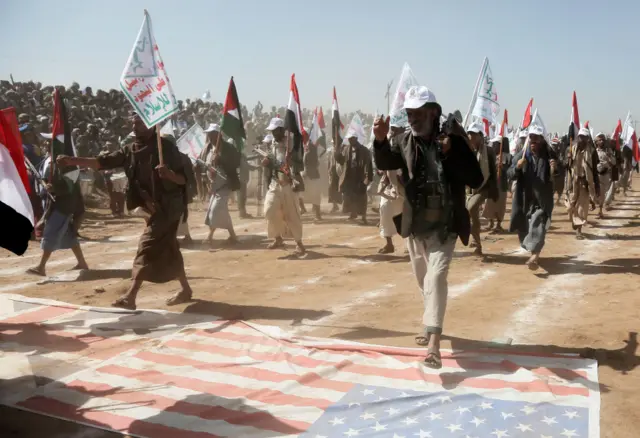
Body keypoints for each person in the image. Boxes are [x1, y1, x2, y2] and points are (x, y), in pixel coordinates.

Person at [372, 85, 483, 369]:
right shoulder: (404, 141)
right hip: (415, 225)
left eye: (418, 113)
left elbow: (476, 178)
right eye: (409, 113)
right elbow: (385, 160)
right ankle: (429, 323)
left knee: (435, 279)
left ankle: (434, 345)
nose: (412, 118)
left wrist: (453, 151)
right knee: (424, 281)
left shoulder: (454, 140)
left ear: (433, 112)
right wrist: (381, 139)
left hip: (445, 227)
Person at [56, 112, 193, 310]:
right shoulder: (130, 150)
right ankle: (186, 289)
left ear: (152, 126)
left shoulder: (166, 148)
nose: (134, 127)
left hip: (170, 208)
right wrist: (71, 160)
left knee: (145, 248)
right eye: (133, 123)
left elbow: (184, 179)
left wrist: (169, 174)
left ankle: (130, 296)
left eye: (139, 123)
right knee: (169, 247)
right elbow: (100, 163)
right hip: (152, 209)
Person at [27, 154, 88, 276]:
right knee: (69, 236)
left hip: (64, 208)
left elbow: (68, 189)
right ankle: (82, 263)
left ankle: (41, 267)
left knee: (50, 233)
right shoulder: (58, 169)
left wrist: (54, 188)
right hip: (60, 206)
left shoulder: (72, 171)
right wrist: (47, 185)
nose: (58, 160)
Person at [508, 124, 557, 269]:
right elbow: (509, 174)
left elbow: (559, 174)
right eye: (531, 138)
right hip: (524, 198)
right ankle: (532, 250)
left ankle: (535, 255)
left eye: (536, 139)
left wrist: (555, 169)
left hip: (542, 199)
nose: (533, 141)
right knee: (523, 228)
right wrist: (517, 167)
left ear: (542, 140)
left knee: (538, 222)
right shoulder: (522, 155)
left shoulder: (549, 155)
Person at [261, 117, 306, 255]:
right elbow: (271, 160)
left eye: (275, 130)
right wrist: (267, 162)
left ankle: (299, 243)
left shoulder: (292, 144)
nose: (273, 133)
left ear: (282, 130)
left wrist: (290, 160)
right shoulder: (272, 144)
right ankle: (278, 238)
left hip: (289, 183)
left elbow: (300, 163)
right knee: (269, 210)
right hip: (275, 183)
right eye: (272, 131)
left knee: (292, 215)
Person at [201, 123, 240, 245]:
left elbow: (236, 162)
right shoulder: (207, 148)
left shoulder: (228, 148)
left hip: (225, 184)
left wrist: (221, 159)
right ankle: (233, 236)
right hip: (213, 185)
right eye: (209, 134)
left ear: (218, 135)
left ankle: (210, 234)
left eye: (212, 134)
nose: (210, 136)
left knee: (215, 210)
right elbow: (204, 164)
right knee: (221, 210)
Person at [465, 123, 494, 255]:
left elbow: (490, 172)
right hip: (469, 188)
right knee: (473, 214)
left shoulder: (488, 151)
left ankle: (476, 240)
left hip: (484, 187)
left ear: (480, 136)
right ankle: (477, 241)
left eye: (474, 134)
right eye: (469, 133)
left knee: (471, 208)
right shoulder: (467, 150)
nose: (471, 136)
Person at [334, 133, 373, 225]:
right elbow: (341, 160)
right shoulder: (347, 149)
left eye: (352, 139)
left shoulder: (364, 150)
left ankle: (363, 216)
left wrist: (367, 178)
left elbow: (368, 165)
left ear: (356, 138)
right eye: (349, 139)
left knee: (362, 197)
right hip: (349, 177)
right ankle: (353, 213)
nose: (350, 141)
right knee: (350, 196)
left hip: (360, 177)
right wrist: (337, 151)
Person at [567, 128, 599, 239]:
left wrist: (596, 187)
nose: (582, 139)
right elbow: (564, 165)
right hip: (572, 182)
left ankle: (579, 230)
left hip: (585, 183)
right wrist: (567, 159)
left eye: (585, 137)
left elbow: (594, 171)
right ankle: (575, 220)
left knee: (582, 207)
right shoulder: (571, 149)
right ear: (578, 137)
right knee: (571, 205)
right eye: (580, 137)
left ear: (588, 139)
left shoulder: (592, 152)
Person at [483, 135, 512, 233]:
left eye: (495, 144)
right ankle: (490, 223)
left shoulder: (506, 157)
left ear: (499, 145)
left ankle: (498, 225)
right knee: (489, 204)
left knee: (499, 205)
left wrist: (502, 168)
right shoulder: (492, 155)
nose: (493, 146)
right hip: (492, 184)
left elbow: (509, 171)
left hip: (501, 185)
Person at [301, 137, 323, 220]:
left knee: (306, 194)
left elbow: (306, 166)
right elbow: (317, 164)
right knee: (316, 196)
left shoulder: (308, 154)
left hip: (310, 177)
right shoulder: (314, 154)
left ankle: (316, 213)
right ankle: (317, 214)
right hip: (314, 177)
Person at [595, 133, 615, 218]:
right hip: (596, 175)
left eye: (603, 139)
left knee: (602, 194)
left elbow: (614, 163)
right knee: (594, 194)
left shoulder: (608, 151)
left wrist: (609, 157)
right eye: (600, 140)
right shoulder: (594, 151)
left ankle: (600, 210)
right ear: (596, 142)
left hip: (605, 176)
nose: (601, 141)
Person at [549, 137, 567, 205]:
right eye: (553, 145)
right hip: (552, 174)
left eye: (555, 145)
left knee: (560, 187)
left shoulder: (561, 152)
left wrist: (559, 162)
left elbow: (563, 162)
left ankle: (558, 200)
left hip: (560, 173)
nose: (554, 146)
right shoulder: (549, 152)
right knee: (551, 187)